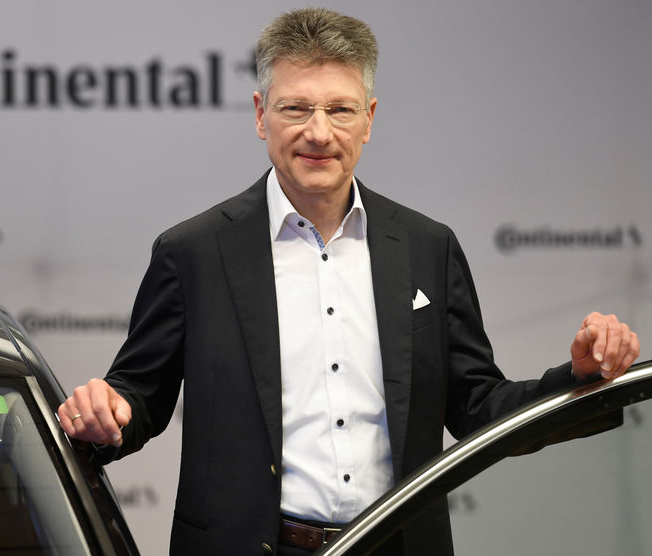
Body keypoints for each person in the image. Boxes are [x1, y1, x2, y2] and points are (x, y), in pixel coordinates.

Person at [58, 8, 640, 555]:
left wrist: (580, 378)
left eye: (340, 109)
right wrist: (108, 412)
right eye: (295, 109)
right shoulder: (192, 251)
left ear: (369, 119)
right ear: (261, 114)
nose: (319, 132)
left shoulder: (426, 247)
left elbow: (478, 405)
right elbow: (140, 397)